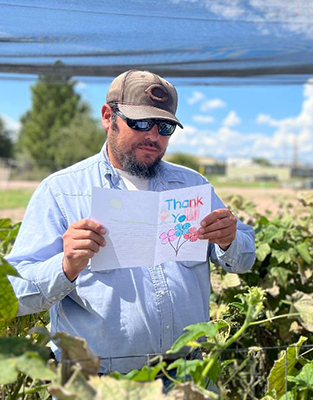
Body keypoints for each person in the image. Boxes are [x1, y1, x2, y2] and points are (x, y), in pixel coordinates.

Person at [7, 70, 256, 374]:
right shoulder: (61, 191)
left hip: (186, 374)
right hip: (99, 380)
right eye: (139, 122)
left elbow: (243, 259)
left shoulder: (192, 185)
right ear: (107, 116)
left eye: (165, 127)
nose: (153, 135)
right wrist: (66, 265)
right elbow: (14, 292)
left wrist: (230, 239)